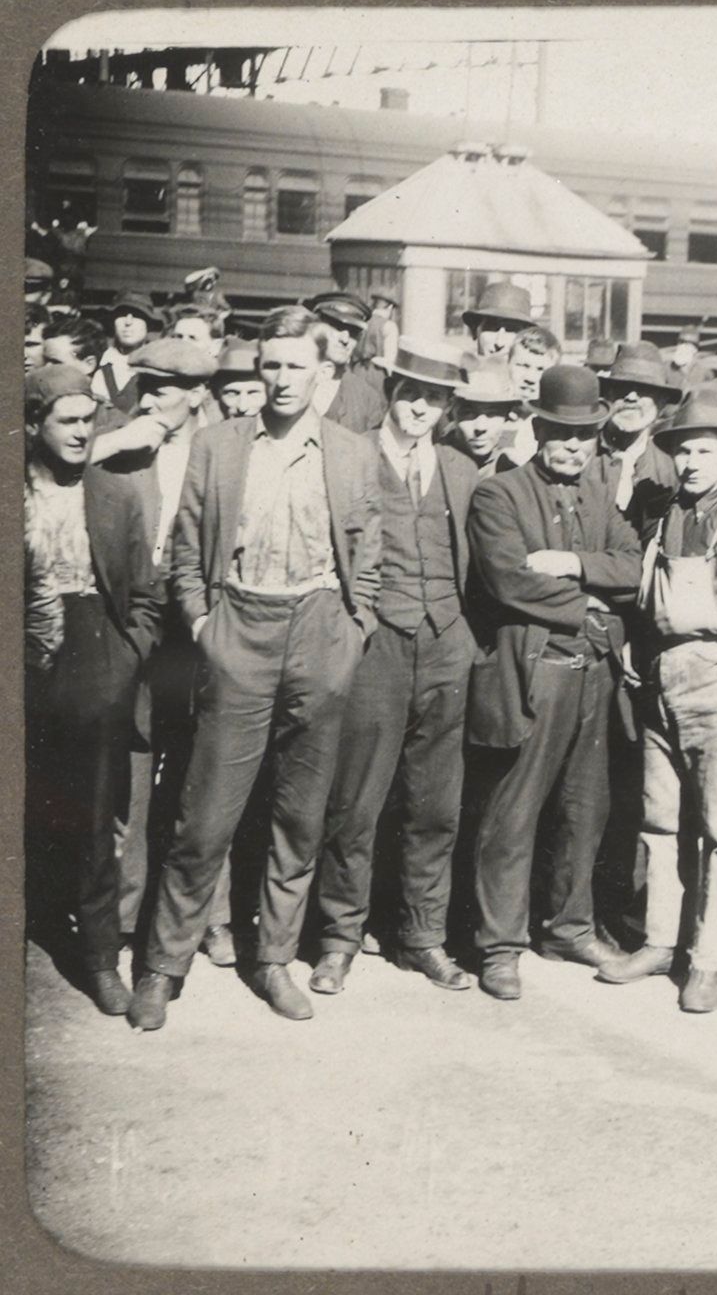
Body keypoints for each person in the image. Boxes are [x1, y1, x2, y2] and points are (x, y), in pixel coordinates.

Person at [128, 306, 384, 1030]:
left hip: (319, 628)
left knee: (298, 817)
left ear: (323, 373)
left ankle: (272, 958)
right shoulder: (219, 445)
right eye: (269, 365)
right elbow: (185, 548)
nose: (279, 379)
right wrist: (206, 625)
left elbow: (370, 549)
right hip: (239, 622)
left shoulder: (352, 451)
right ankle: (163, 964)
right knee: (204, 815)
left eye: (296, 365)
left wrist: (353, 630)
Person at [595, 389, 717, 1014]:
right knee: (659, 821)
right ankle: (659, 941)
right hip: (658, 680)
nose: (689, 463)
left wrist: (712, 617)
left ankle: (709, 961)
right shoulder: (661, 516)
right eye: (682, 450)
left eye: (704, 450)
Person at [462, 365, 643, 1002]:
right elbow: (507, 580)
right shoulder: (501, 494)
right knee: (512, 815)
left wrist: (571, 564)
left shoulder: (600, 496)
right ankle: (499, 945)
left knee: (583, 811)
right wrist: (589, 603)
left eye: (585, 434)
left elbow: (634, 564)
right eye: (560, 432)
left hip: (594, 675)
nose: (572, 445)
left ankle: (568, 927)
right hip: (534, 674)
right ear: (537, 429)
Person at [309, 343, 481, 997]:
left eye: (435, 399)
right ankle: (338, 939)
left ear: (447, 407)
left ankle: (423, 938)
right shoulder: (350, 454)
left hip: (444, 646)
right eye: (412, 393)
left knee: (435, 805)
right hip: (377, 645)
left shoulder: (459, 469)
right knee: (356, 800)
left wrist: (462, 637)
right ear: (392, 391)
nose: (420, 407)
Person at [24, 365, 163, 1016]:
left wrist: (123, 663)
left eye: (89, 419)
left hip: (95, 655)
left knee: (91, 815)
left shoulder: (112, 494)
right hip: (25, 651)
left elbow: (145, 596)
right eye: (67, 420)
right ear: (33, 425)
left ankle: (103, 960)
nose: (82, 432)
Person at [88, 339, 223, 959]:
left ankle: (203, 918)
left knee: (200, 769)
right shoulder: (124, 443)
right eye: (141, 386)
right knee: (133, 771)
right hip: (136, 625)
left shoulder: (221, 450)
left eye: (161, 389)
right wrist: (116, 442)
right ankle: (123, 916)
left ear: (197, 395)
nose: (146, 399)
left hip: (197, 627)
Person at [596, 341, 682, 523]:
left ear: (661, 404)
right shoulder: (582, 452)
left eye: (644, 390)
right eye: (622, 388)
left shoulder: (669, 470)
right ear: (607, 396)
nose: (631, 397)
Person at [305, 291, 387, 433]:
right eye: (336, 326)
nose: (345, 339)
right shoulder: (288, 377)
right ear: (314, 326)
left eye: (353, 331)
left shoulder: (367, 399)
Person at [448, 358, 528, 480]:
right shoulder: (434, 462)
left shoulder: (511, 468)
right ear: (452, 411)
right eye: (468, 413)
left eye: (492, 414)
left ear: (507, 416)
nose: (480, 427)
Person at [93, 290, 160, 413]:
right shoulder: (97, 362)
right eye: (122, 314)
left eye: (137, 315)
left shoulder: (158, 366)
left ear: (148, 324)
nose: (128, 322)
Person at [461, 282, 542, 361]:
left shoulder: (537, 373)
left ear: (525, 338)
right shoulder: (457, 372)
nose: (499, 343)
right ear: (475, 331)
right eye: (492, 328)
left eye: (511, 329)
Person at [211, 342, 267, 422]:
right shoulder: (208, 433)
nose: (242, 408)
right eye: (232, 394)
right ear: (216, 393)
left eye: (253, 393)